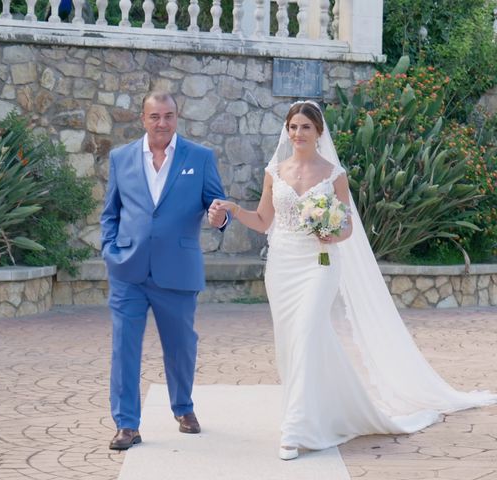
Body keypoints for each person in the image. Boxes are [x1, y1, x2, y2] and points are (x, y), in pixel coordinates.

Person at [210, 100, 497, 461]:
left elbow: (346, 227)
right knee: (291, 342)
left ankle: (295, 428)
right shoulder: (275, 172)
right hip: (281, 267)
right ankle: (334, 407)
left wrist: (332, 230)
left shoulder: (334, 174)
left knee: (307, 332)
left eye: (306, 128)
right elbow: (264, 221)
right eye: (293, 127)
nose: (298, 133)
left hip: (319, 264)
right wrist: (234, 210)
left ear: (318, 133)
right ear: (287, 131)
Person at [101, 90, 229, 450]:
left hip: (178, 269)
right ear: (143, 119)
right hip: (128, 269)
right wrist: (110, 251)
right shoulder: (121, 158)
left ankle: (183, 408)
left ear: (177, 117)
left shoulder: (199, 157)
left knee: (181, 346)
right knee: (124, 347)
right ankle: (127, 424)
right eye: (155, 116)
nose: (162, 123)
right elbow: (110, 213)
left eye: (169, 116)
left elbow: (216, 206)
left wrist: (220, 217)